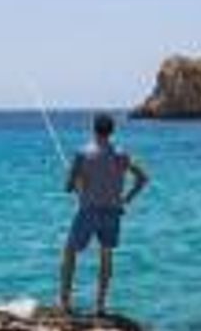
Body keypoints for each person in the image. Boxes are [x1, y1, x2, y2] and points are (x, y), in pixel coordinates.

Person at [58, 113, 149, 315]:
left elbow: (68, 187)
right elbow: (143, 178)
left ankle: (65, 303)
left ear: (93, 129)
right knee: (106, 256)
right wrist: (126, 199)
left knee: (70, 252)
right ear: (112, 131)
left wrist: (75, 181)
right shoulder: (122, 154)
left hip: (88, 211)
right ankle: (100, 306)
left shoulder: (83, 153)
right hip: (113, 212)